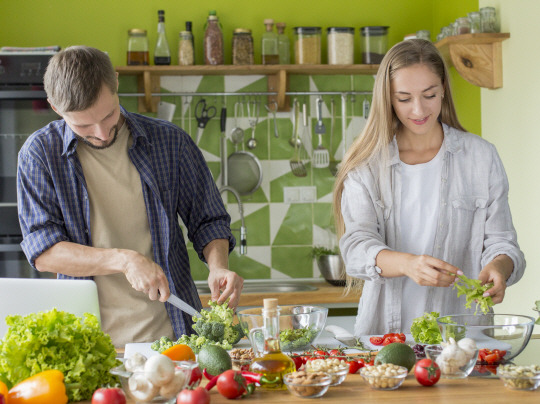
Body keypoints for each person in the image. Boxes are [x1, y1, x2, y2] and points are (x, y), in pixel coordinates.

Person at [16, 46, 244, 347]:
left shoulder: (170, 143)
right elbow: (44, 252)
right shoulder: (39, 155)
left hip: (173, 338)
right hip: (88, 344)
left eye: (109, 114)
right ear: (56, 109)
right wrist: (124, 260)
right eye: (83, 125)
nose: (100, 132)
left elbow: (209, 220)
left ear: (116, 84)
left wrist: (218, 266)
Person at [333, 39, 525, 336]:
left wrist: (500, 268)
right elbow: (357, 249)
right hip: (386, 337)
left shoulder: (480, 156)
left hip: (464, 336)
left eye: (429, 95)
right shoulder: (366, 165)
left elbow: (502, 241)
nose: (419, 109)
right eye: (404, 98)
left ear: (444, 89)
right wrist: (408, 264)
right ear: (387, 98)